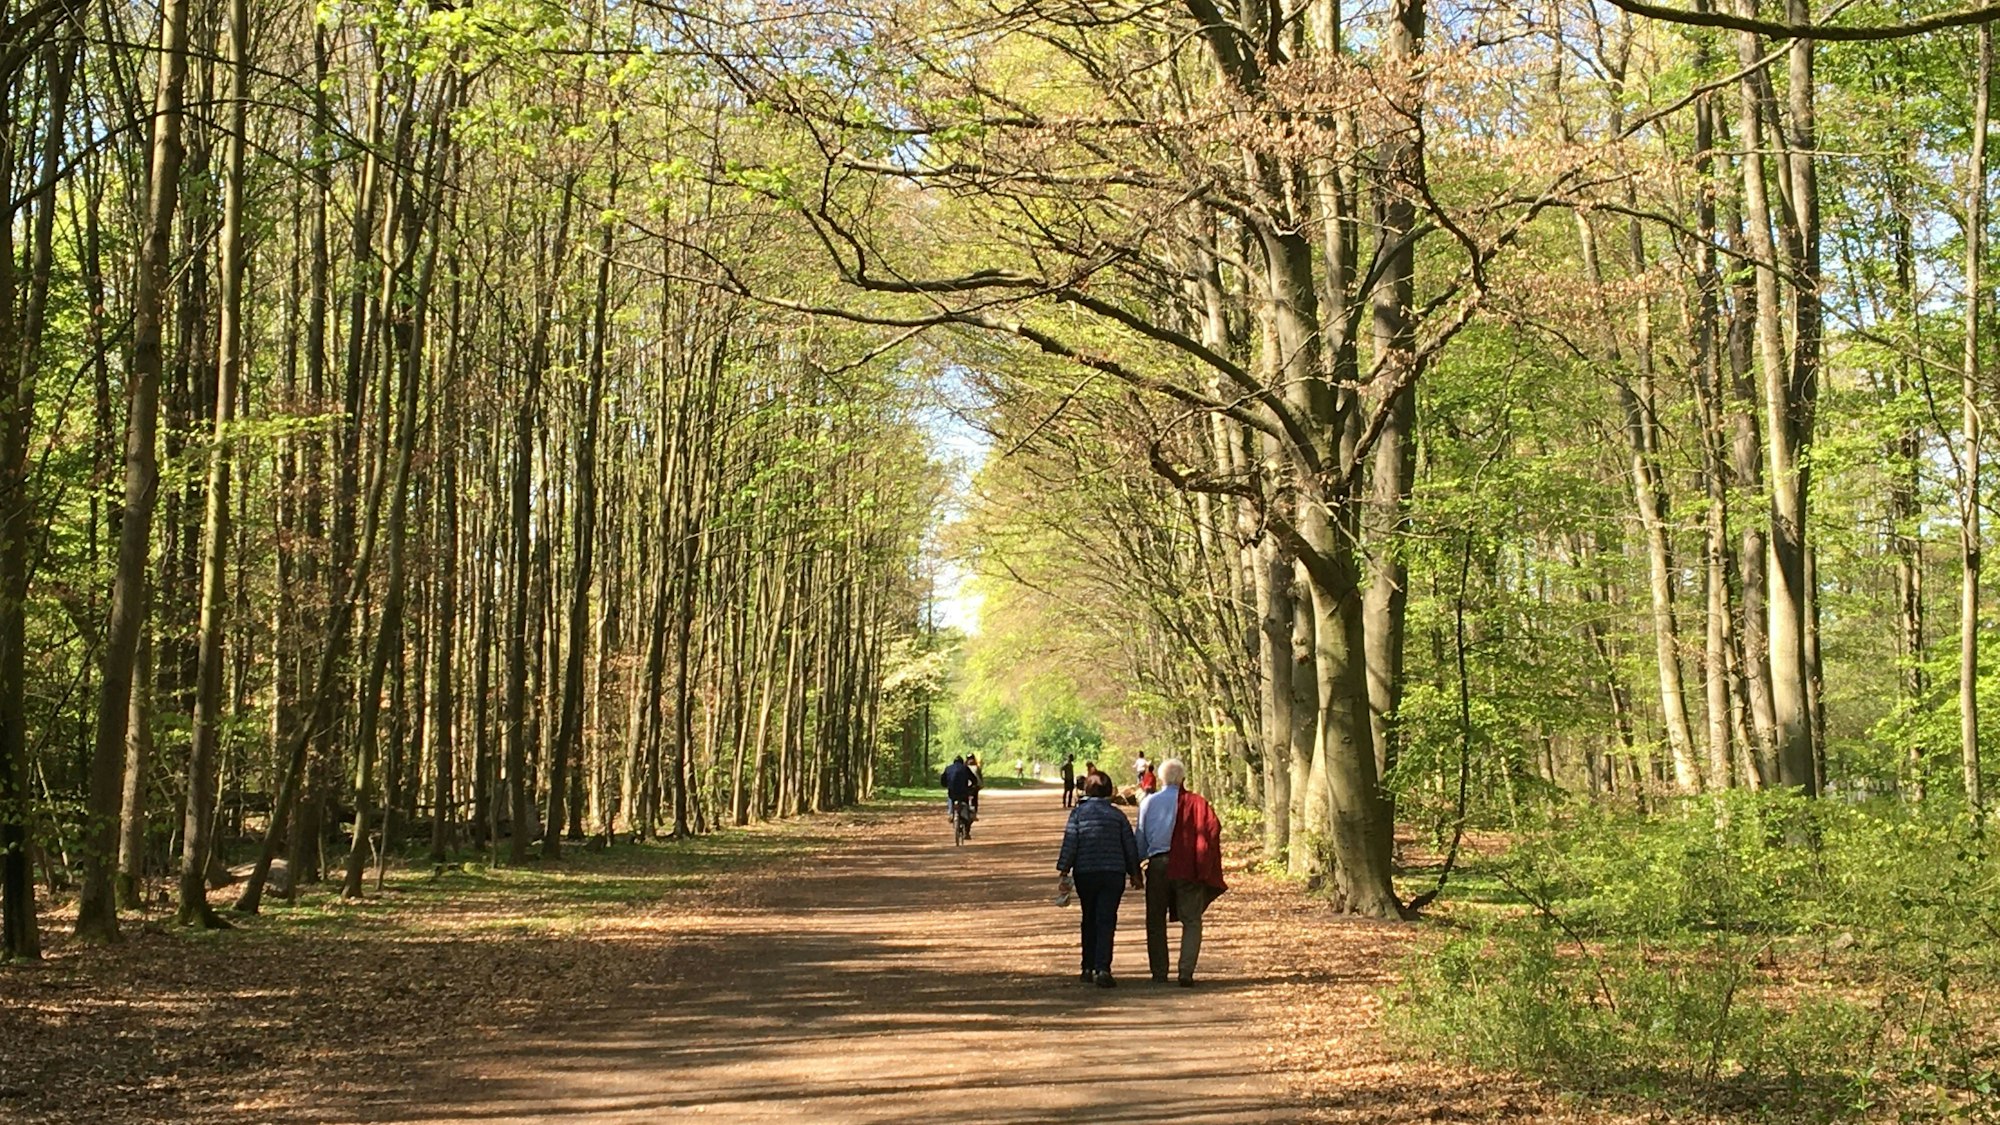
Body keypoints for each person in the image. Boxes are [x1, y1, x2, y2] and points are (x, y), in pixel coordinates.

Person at [1056, 772, 1141, 987]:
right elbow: (1129, 846)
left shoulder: (1078, 814)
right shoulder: (1117, 816)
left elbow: (1071, 842)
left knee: (1089, 917)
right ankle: (1103, 968)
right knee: (1106, 919)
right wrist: (1135, 873)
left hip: (1086, 873)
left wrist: (1064, 869)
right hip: (1113, 873)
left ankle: (1087, 966)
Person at [1157, 760, 1226, 985]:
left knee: (1155, 920)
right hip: (1189, 868)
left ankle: (1159, 972)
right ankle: (1185, 971)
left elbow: (1142, 835)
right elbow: (1213, 830)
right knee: (1192, 921)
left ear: (1161, 779)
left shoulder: (1152, 802)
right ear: (1183, 779)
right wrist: (1204, 864)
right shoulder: (1198, 803)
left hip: (1159, 865)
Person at [940, 755, 979, 836]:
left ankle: (951, 813)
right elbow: (973, 780)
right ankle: (967, 832)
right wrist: (971, 787)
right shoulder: (965, 768)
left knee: (950, 798)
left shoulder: (948, 768)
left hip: (952, 792)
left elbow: (942, 781)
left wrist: (947, 785)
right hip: (963, 793)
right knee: (967, 808)